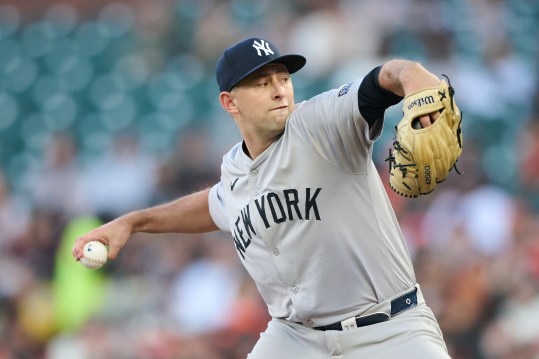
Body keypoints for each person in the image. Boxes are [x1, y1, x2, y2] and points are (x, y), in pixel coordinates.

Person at [73, 37, 451, 358]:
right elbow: (214, 205)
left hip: (389, 329)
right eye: (260, 82)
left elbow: (385, 79)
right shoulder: (235, 170)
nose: (278, 89)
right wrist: (133, 223)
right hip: (297, 339)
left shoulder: (322, 123)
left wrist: (412, 75)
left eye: (283, 78)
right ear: (229, 102)